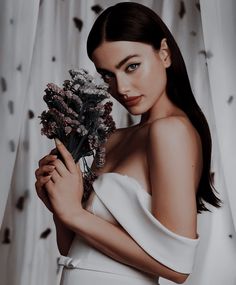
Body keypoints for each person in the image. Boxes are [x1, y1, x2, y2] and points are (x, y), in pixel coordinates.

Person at [35, 2, 221, 285]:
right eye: (107, 75)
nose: (120, 87)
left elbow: (178, 266)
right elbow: (75, 248)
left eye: (132, 66)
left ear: (164, 53)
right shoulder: (112, 138)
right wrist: (58, 205)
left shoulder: (170, 131)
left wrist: (73, 213)